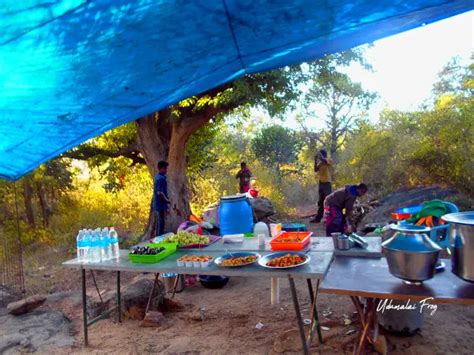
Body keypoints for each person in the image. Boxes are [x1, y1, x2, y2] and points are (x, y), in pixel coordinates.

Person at [310, 149, 332, 223]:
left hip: (327, 183)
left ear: (324, 155)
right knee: (321, 201)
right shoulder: (321, 163)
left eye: (321, 155)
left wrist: (320, 156)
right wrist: (315, 160)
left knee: (328, 201)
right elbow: (315, 170)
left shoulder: (328, 160)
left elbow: (325, 160)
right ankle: (318, 218)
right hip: (321, 183)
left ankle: (330, 218)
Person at [152, 161, 170, 236]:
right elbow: (159, 193)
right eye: (164, 168)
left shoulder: (159, 177)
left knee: (161, 221)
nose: (166, 170)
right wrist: (167, 200)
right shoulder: (160, 179)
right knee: (161, 222)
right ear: (160, 169)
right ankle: (159, 237)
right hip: (160, 204)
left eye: (166, 168)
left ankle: (159, 236)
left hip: (159, 203)